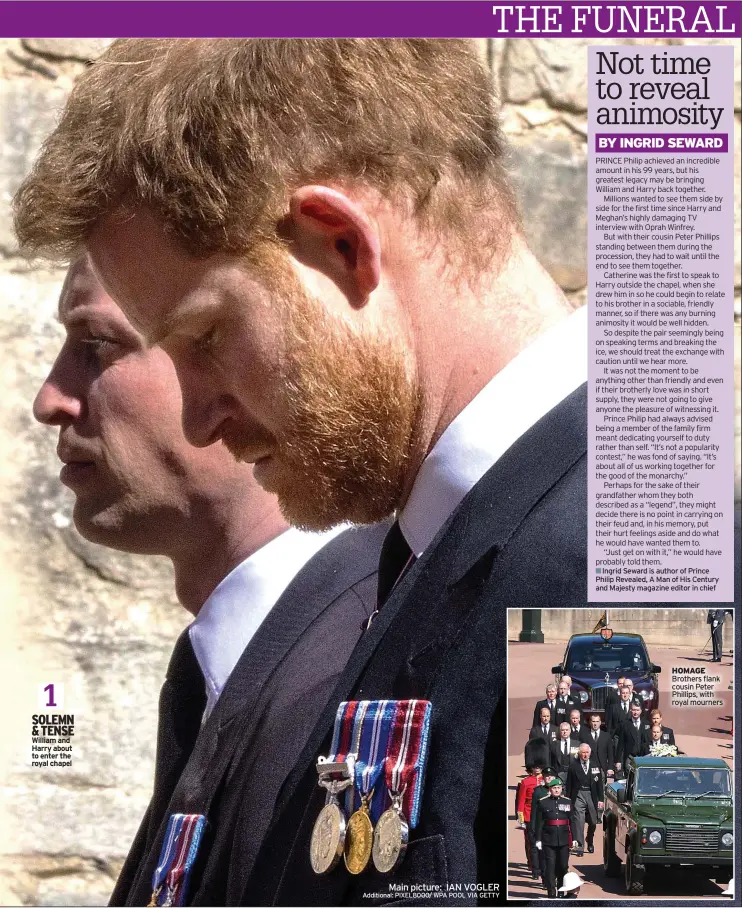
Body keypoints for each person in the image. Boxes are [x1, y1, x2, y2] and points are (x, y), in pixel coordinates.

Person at [14, 38, 592, 902]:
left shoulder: (613, 556)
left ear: (340, 246)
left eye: (208, 336)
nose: (201, 413)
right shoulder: (438, 553)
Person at [32, 259, 388, 906]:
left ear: (239, 352)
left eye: (97, 345)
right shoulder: (234, 666)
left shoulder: (357, 670)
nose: (50, 399)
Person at [534, 778, 573, 899]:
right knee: (550, 866)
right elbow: (539, 823)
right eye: (554, 788)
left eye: (559, 788)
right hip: (548, 839)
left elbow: (572, 821)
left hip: (563, 839)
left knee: (563, 866)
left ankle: (561, 889)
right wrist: (538, 839)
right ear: (550, 789)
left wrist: (575, 838)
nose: (557, 790)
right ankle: (551, 891)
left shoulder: (567, 801)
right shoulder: (543, 802)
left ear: (562, 789)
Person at [565, 743, 603, 857]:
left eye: (587, 752)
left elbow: (599, 784)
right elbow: (569, 785)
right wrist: (568, 800)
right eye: (583, 753)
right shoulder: (573, 766)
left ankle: (589, 839)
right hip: (578, 795)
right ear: (579, 753)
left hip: (592, 795)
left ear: (590, 753)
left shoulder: (595, 765)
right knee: (579, 821)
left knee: (593, 821)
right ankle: (580, 846)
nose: (585, 755)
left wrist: (601, 799)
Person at [516, 764, 543, 880]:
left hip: (542, 815)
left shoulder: (546, 779)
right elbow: (521, 800)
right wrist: (520, 817)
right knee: (530, 842)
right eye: (535, 766)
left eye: (539, 766)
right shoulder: (525, 782)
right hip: (529, 815)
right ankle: (533, 865)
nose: (537, 768)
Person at [579, 713, 614, 779]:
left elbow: (610, 754)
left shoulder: (606, 736)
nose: (595, 724)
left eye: (597, 721)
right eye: (593, 721)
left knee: (603, 787)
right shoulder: (584, 736)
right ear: (590, 722)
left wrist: (610, 768)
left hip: (603, 768)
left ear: (600, 722)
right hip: (589, 768)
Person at [616, 702, 646, 773]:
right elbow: (621, 744)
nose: (635, 712)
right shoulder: (625, 724)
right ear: (630, 710)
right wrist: (618, 761)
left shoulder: (646, 724)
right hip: (629, 757)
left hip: (643, 757)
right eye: (634, 710)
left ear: (641, 711)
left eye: (637, 710)